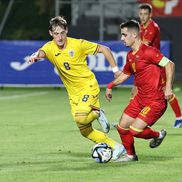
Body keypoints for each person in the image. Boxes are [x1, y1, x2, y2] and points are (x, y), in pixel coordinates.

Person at [29, 16, 125, 160]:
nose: (60, 37)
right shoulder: (49, 47)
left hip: (88, 86)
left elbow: (105, 49)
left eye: (62, 32)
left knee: (81, 118)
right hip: (73, 94)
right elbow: (41, 53)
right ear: (51, 33)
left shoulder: (78, 44)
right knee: (85, 131)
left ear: (66, 30)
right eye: (56, 33)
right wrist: (35, 56)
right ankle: (117, 147)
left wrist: (116, 70)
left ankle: (97, 113)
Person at [105, 20, 174, 162]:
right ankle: (131, 155)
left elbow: (169, 64)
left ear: (134, 35)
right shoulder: (130, 56)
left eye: (124, 35)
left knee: (135, 131)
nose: (122, 38)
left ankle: (158, 135)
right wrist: (110, 86)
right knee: (122, 127)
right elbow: (125, 74)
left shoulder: (149, 51)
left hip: (155, 101)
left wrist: (168, 88)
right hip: (140, 99)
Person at [137, 3, 182, 128]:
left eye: (145, 14)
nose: (143, 17)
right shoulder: (140, 27)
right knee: (136, 90)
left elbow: (144, 44)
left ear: (150, 14)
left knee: (165, 92)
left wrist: (132, 39)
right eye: (141, 14)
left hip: (157, 65)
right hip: (146, 65)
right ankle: (132, 117)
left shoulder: (153, 27)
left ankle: (179, 117)